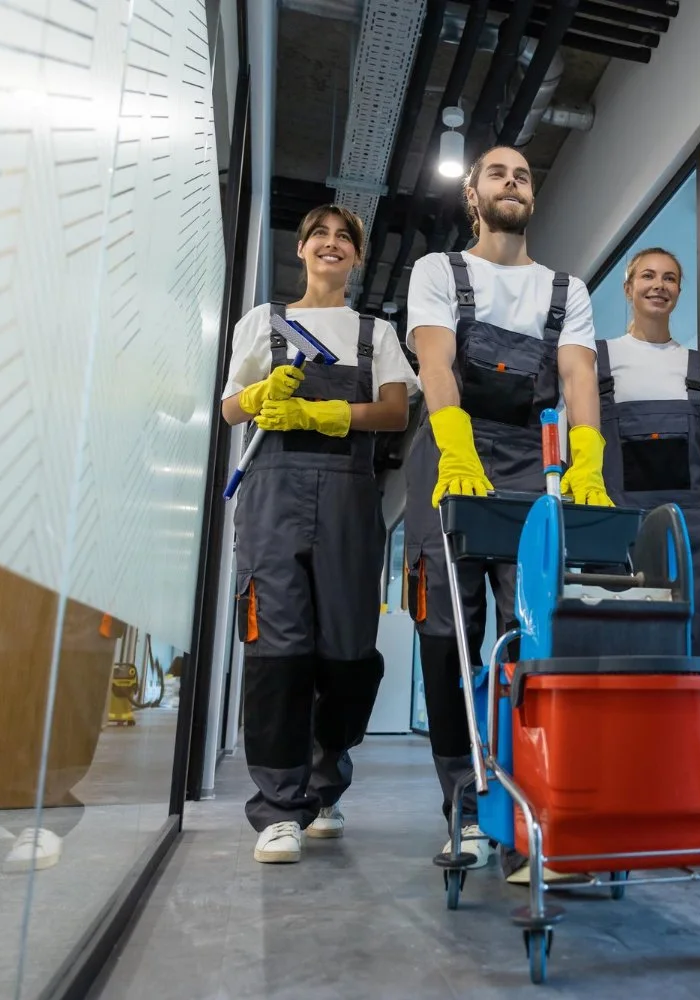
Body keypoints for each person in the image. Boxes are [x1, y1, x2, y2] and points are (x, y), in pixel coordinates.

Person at [404, 145, 609, 884]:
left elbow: (578, 374)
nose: (512, 182)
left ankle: (529, 814)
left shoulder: (565, 289)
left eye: (523, 174)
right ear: (472, 194)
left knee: (531, 632)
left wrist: (587, 458)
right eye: (498, 173)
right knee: (448, 632)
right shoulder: (440, 273)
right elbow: (434, 360)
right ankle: (465, 807)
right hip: (451, 451)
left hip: (530, 460)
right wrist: (456, 448)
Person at [221, 204, 418, 864]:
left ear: (357, 259)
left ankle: (325, 786)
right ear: (301, 250)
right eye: (321, 236)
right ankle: (278, 808)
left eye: (345, 239)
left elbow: (394, 411)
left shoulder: (375, 333)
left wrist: (330, 412)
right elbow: (228, 405)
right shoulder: (263, 324)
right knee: (278, 646)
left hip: (348, 498)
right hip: (273, 494)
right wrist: (254, 399)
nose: (332, 245)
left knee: (346, 649)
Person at [596, 247, 700, 656]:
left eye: (670, 278)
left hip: (690, 532)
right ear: (628, 288)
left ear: (679, 290)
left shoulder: (699, 367)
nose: (659, 286)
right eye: (648, 276)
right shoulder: (599, 360)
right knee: (621, 646)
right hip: (619, 527)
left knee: (690, 647)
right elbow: (579, 439)